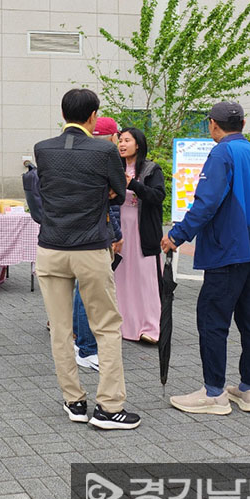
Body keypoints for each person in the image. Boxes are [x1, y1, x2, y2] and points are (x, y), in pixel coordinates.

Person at [33, 88, 140, 430]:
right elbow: (118, 193)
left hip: (51, 248)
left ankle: (74, 402)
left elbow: (47, 189)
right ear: (94, 116)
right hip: (90, 247)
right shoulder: (104, 150)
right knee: (106, 327)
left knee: (60, 329)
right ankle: (109, 407)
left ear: (63, 113)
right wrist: (103, 189)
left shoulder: (43, 149)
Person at [162, 102, 250, 415]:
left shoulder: (221, 153)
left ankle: (214, 393)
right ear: (243, 124)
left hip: (228, 249)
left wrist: (177, 235)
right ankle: (249, 390)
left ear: (212, 124)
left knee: (212, 320)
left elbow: (206, 202)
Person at [68, 117, 125, 371]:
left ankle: (79, 341)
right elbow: (111, 202)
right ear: (113, 137)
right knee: (91, 292)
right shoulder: (106, 157)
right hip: (95, 234)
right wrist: (116, 234)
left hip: (74, 232)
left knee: (80, 288)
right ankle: (87, 348)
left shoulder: (79, 155)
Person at [115, 127, 166, 343]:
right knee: (121, 278)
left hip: (143, 231)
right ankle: (122, 325)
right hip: (120, 230)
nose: (122, 144)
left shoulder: (151, 169)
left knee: (146, 280)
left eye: (127, 140)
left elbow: (157, 196)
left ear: (138, 144)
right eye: (120, 140)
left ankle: (151, 328)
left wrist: (133, 184)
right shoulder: (114, 167)